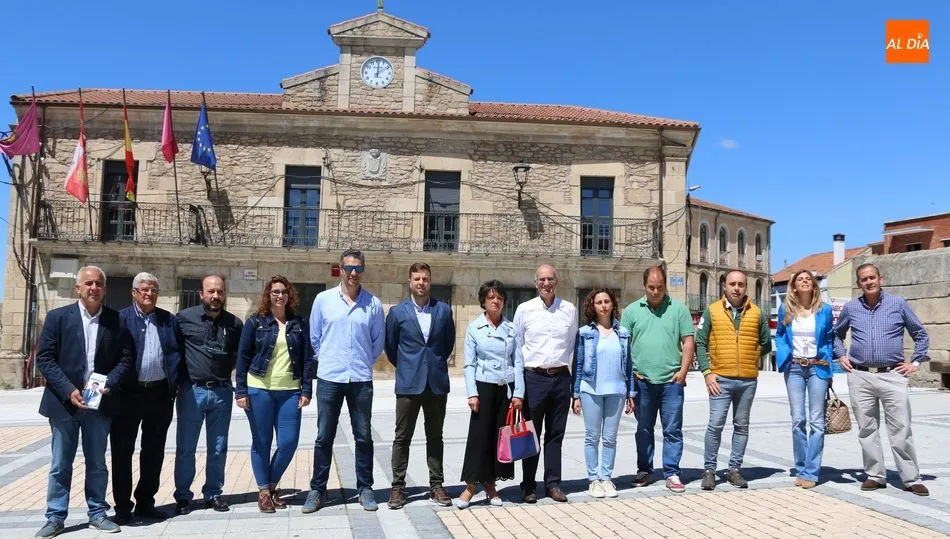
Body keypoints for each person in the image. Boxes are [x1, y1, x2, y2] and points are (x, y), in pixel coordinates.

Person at [34, 266, 133, 538]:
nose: (94, 287)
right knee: (60, 464)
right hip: (64, 403)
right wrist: (68, 389)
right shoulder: (58, 318)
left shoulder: (116, 320)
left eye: (99, 283)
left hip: (98, 404)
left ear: (104, 288)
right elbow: (45, 358)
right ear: (78, 288)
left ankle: (97, 513)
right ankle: (55, 517)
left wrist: (108, 383)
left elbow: (125, 358)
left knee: (97, 462)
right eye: (88, 283)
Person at [833, 263, 931, 496]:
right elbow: (836, 334)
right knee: (867, 429)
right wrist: (840, 355)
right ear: (859, 284)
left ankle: (911, 478)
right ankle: (875, 475)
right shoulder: (851, 308)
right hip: (860, 376)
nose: (869, 282)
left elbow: (920, 333)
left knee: (901, 428)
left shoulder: (898, 304)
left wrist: (915, 362)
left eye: (872, 278)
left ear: (880, 279)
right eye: (864, 279)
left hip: (892, 375)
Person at [303, 249, 385, 513]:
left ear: (363, 271)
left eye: (358, 269)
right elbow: (314, 338)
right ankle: (317, 490)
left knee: (363, 437)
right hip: (330, 377)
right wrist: (329, 358)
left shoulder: (373, 304)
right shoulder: (323, 300)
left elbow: (377, 343)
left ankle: (365, 489)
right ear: (340, 269)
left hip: (360, 378)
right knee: (324, 436)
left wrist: (360, 361)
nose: (353, 273)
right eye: (349, 268)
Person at [111, 272, 185, 524]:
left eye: (153, 289)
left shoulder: (168, 320)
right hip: (128, 395)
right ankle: (122, 506)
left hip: (160, 394)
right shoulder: (120, 319)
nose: (148, 293)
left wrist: (175, 387)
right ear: (133, 292)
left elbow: (178, 355)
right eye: (143, 289)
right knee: (122, 451)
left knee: (154, 451)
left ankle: (145, 502)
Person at [235, 276, 313, 513]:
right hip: (259, 389)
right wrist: (241, 390)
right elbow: (243, 357)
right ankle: (264, 493)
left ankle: (270, 485)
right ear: (268, 295)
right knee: (261, 442)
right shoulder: (255, 323)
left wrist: (307, 389)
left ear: (290, 296)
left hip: (290, 390)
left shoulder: (299, 324)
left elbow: (308, 359)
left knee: (288, 442)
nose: (280, 295)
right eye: (275, 291)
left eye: (284, 292)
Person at [385, 263, 457, 509]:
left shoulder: (444, 311)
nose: (421, 283)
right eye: (417, 279)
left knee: (435, 436)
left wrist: (432, 365)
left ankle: (436, 485)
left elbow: (447, 345)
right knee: (402, 437)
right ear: (409, 282)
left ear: (430, 282)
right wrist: (409, 367)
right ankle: (397, 487)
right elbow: (391, 348)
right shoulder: (397, 313)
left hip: (436, 384)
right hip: (408, 384)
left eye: (425, 279)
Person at [621, 266, 695, 494]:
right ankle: (645, 470)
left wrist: (683, 373)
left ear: (665, 286)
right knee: (644, 429)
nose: (655, 291)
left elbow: (689, 342)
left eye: (660, 287)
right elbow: (623, 346)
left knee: (673, 429)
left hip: (671, 382)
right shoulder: (632, 311)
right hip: (642, 381)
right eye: (651, 287)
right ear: (645, 286)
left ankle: (672, 472)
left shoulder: (679, 310)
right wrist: (630, 374)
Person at [695, 270, 771, 491]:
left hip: (747, 381)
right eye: (732, 284)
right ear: (724, 287)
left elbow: (765, 343)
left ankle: (734, 469)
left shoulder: (757, 313)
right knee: (715, 424)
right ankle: (709, 470)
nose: (736, 288)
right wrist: (707, 372)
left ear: (745, 287)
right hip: (720, 379)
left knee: (742, 425)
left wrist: (751, 357)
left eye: (740, 284)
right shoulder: (712, 311)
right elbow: (700, 343)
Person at [173, 275, 243, 515]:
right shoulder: (183, 319)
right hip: (192, 391)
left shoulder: (234, 323)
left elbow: (239, 355)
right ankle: (183, 496)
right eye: (211, 291)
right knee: (186, 447)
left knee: (218, 447)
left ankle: (213, 493)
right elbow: (174, 353)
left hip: (222, 391)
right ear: (201, 294)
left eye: (220, 292)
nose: (216, 296)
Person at [456, 280, 524, 509]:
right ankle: (470, 486)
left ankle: (492, 485)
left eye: (499, 298)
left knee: (499, 439)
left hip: (505, 389)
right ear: (484, 302)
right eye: (491, 297)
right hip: (483, 388)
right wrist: (472, 394)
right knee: (479, 438)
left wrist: (519, 394)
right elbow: (469, 365)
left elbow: (518, 364)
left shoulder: (512, 329)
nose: (495, 301)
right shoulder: (475, 328)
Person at [513, 264, 578, 503]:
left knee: (555, 435)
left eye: (550, 279)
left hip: (560, 378)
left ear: (557, 281)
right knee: (531, 434)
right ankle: (528, 486)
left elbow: (571, 342)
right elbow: (518, 347)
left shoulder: (569, 309)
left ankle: (553, 484)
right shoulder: (524, 310)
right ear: (535, 283)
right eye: (542, 279)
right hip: (534, 379)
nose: (546, 283)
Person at [571, 288, 634, 499]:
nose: (604, 305)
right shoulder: (584, 333)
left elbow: (628, 365)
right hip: (591, 391)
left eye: (607, 301)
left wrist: (630, 394)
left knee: (610, 438)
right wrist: (576, 395)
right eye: (599, 302)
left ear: (613, 305)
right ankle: (593, 480)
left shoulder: (623, 333)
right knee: (592, 437)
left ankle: (606, 478)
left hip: (616, 391)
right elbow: (578, 364)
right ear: (593, 306)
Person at [775, 269, 834, 489]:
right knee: (798, 420)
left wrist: (828, 362)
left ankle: (811, 471)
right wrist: (784, 356)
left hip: (818, 367)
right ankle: (800, 468)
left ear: (814, 285)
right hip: (795, 368)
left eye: (808, 279)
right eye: (800, 279)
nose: (805, 281)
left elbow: (829, 338)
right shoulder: (785, 309)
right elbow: (780, 335)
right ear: (794, 287)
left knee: (817, 422)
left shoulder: (824, 310)